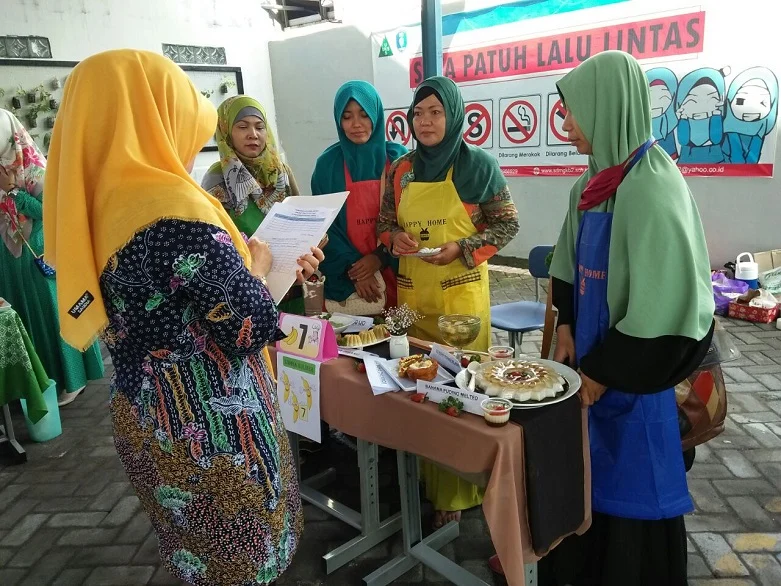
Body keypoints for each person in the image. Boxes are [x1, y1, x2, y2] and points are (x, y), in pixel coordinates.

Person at [43, 49, 324, 585]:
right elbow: (249, 326)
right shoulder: (173, 207)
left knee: (198, 555)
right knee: (240, 563)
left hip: (146, 420)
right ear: (151, 111)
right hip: (214, 429)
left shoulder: (95, 203)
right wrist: (261, 268)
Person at [539, 51, 715, 586]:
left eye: (573, 110)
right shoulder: (590, 186)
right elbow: (566, 265)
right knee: (581, 493)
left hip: (638, 382)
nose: (566, 123)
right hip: (589, 366)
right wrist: (566, 324)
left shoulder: (653, 187)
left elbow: (668, 315)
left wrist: (601, 373)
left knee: (630, 517)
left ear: (606, 105)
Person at [377, 76, 519, 527]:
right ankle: (424, 482)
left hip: (461, 301)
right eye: (418, 113)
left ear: (454, 114)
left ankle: (458, 497)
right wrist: (392, 237)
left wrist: (461, 248)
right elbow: (383, 222)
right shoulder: (399, 170)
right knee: (419, 393)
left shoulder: (479, 166)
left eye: (436, 112)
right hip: (413, 296)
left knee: (460, 398)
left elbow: (507, 224)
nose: (425, 121)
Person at [0, 108, 104, 406]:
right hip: (9, 256)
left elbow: (49, 210)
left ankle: (73, 379)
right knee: (21, 317)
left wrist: (13, 193)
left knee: (53, 312)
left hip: (40, 251)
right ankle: (37, 384)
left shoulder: (37, 170)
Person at [202, 96, 305, 315]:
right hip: (244, 294)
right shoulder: (216, 178)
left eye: (260, 127)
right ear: (226, 131)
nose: (253, 134)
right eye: (242, 127)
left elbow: (303, 219)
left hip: (291, 287)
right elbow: (211, 244)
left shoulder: (280, 172)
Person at [311, 80, 407, 314]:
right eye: (347, 116)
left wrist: (380, 258)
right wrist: (355, 271)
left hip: (398, 271)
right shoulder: (327, 165)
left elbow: (410, 217)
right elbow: (325, 226)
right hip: (348, 279)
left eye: (364, 115)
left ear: (376, 115)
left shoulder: (399, 159)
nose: (356, 124)